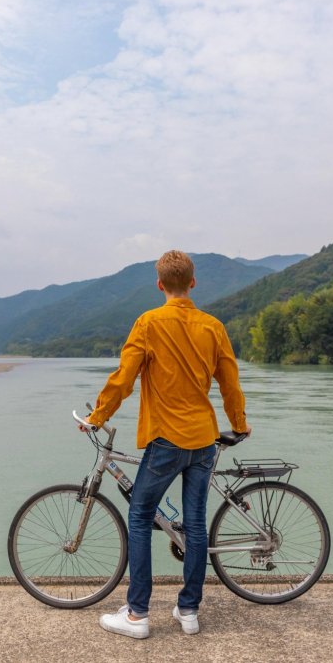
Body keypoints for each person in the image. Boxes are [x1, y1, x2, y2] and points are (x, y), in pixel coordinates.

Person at [83, 250, 251, 639]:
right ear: (193, 282)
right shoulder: (212, 327)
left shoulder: (148, 323)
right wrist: (239, 424)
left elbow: (124, 378)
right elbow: (230, 383)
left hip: (166, 438)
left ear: (159, 284)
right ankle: (189, 610)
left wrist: (98, 416)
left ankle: (138, 614)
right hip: (204, 439)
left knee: (140, 515)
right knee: (195, 523)